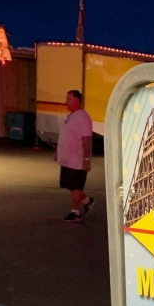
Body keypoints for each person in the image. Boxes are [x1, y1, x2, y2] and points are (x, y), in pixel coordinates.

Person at [55, 89, 93, 223]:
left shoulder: (83, 118)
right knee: (70, 185)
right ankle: (87, 201)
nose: (66, 102)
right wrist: (58, 152)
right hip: (68, 159)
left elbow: (87, 140)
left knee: (76, 187)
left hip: (77, 160)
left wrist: (86, 159)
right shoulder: (71, 116)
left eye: (69, 99)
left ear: (77, 101)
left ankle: (75, 212)